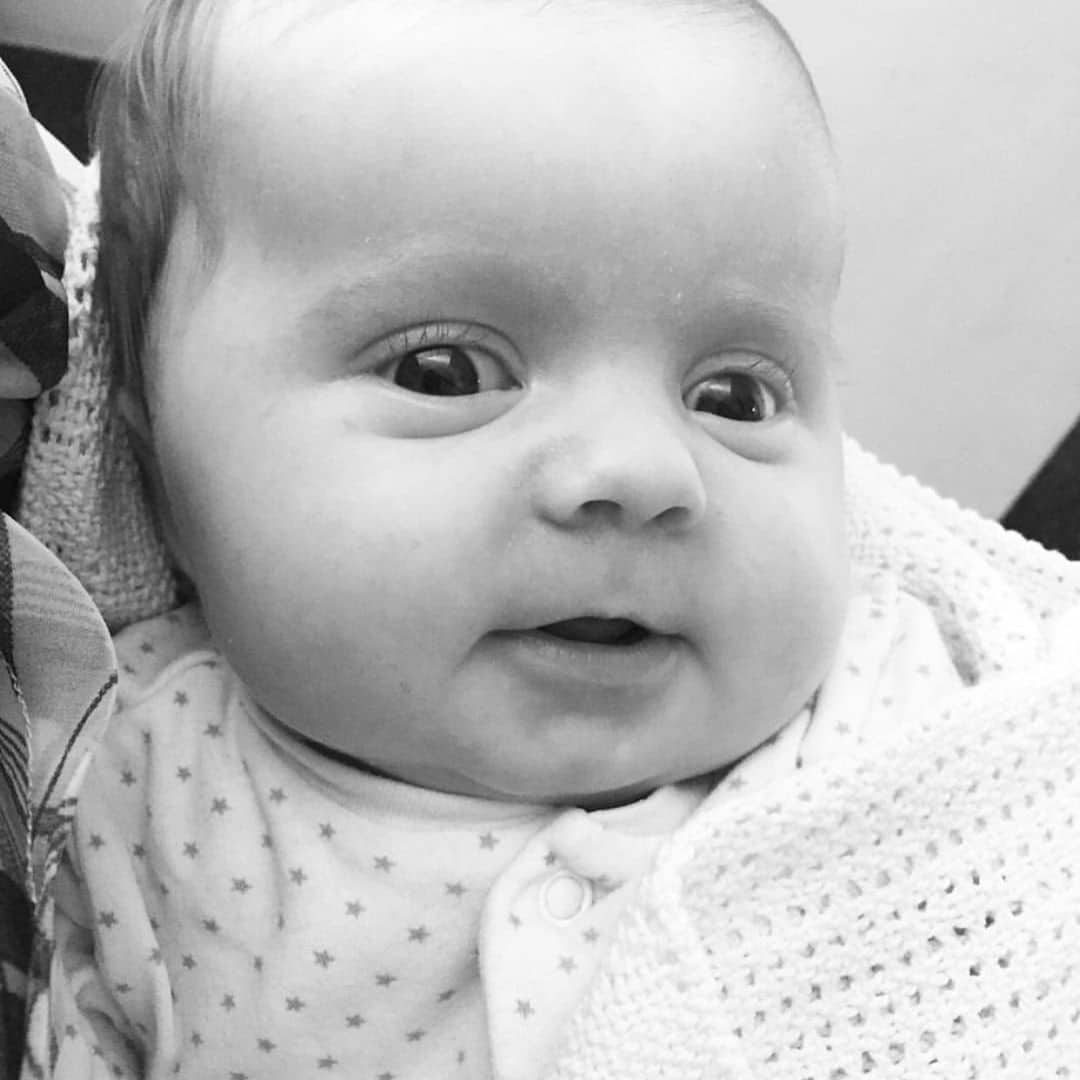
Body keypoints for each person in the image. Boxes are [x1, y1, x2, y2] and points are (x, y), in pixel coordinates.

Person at [14, 0, 1080, 1077]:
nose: (642, 472)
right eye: (445, 373)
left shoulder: (910, 712)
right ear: (154, 458)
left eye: (734, 397)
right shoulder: (118, 774)